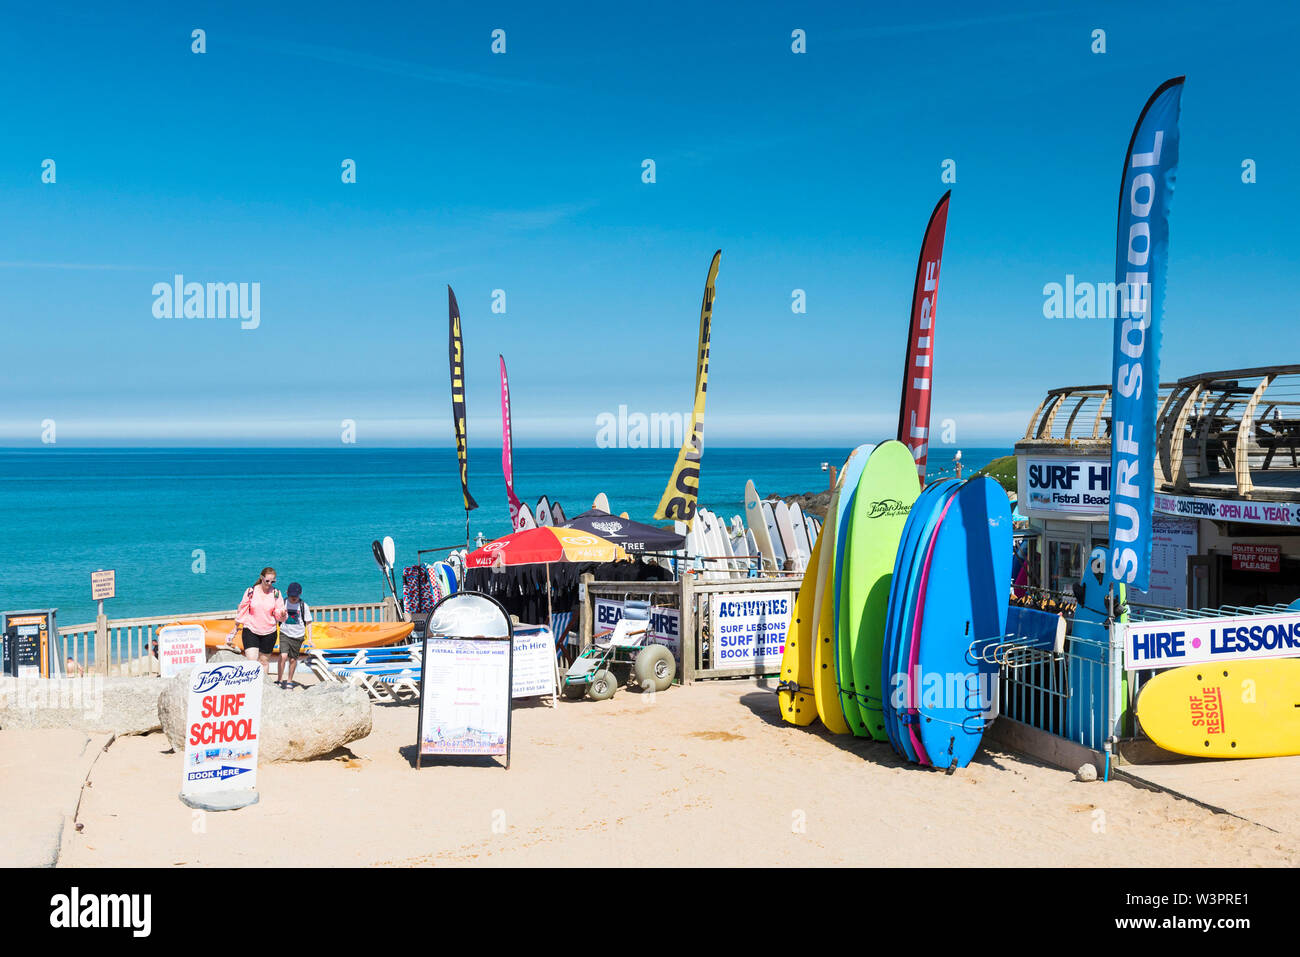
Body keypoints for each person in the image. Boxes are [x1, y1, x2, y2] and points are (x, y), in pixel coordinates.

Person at [229, 567, 285, 674]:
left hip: (269, 631)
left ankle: (264, 686)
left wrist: (282, 613)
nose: (269, 583)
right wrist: (236, 627)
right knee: (251, 661)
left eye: (272, 581)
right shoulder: (250, 591)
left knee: (264, 661)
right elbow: (242, 610)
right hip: (251, 629)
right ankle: (251, 687)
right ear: (261, 578)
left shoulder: (276, 593)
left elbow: (278, 613)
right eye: (267, 580)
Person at [276, 582, 312, 689]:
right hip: (285, 633)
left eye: (295, 596)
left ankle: (289, 680)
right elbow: (277, 617)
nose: (293, 598)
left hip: (298, 636)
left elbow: (308, 622)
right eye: (291, 596)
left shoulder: (303, 606)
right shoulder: (283, 603)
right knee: (283, 656)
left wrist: (309, 638)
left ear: (300, 594)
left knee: (292, 659)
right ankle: (279, 679)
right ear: (287, 593)